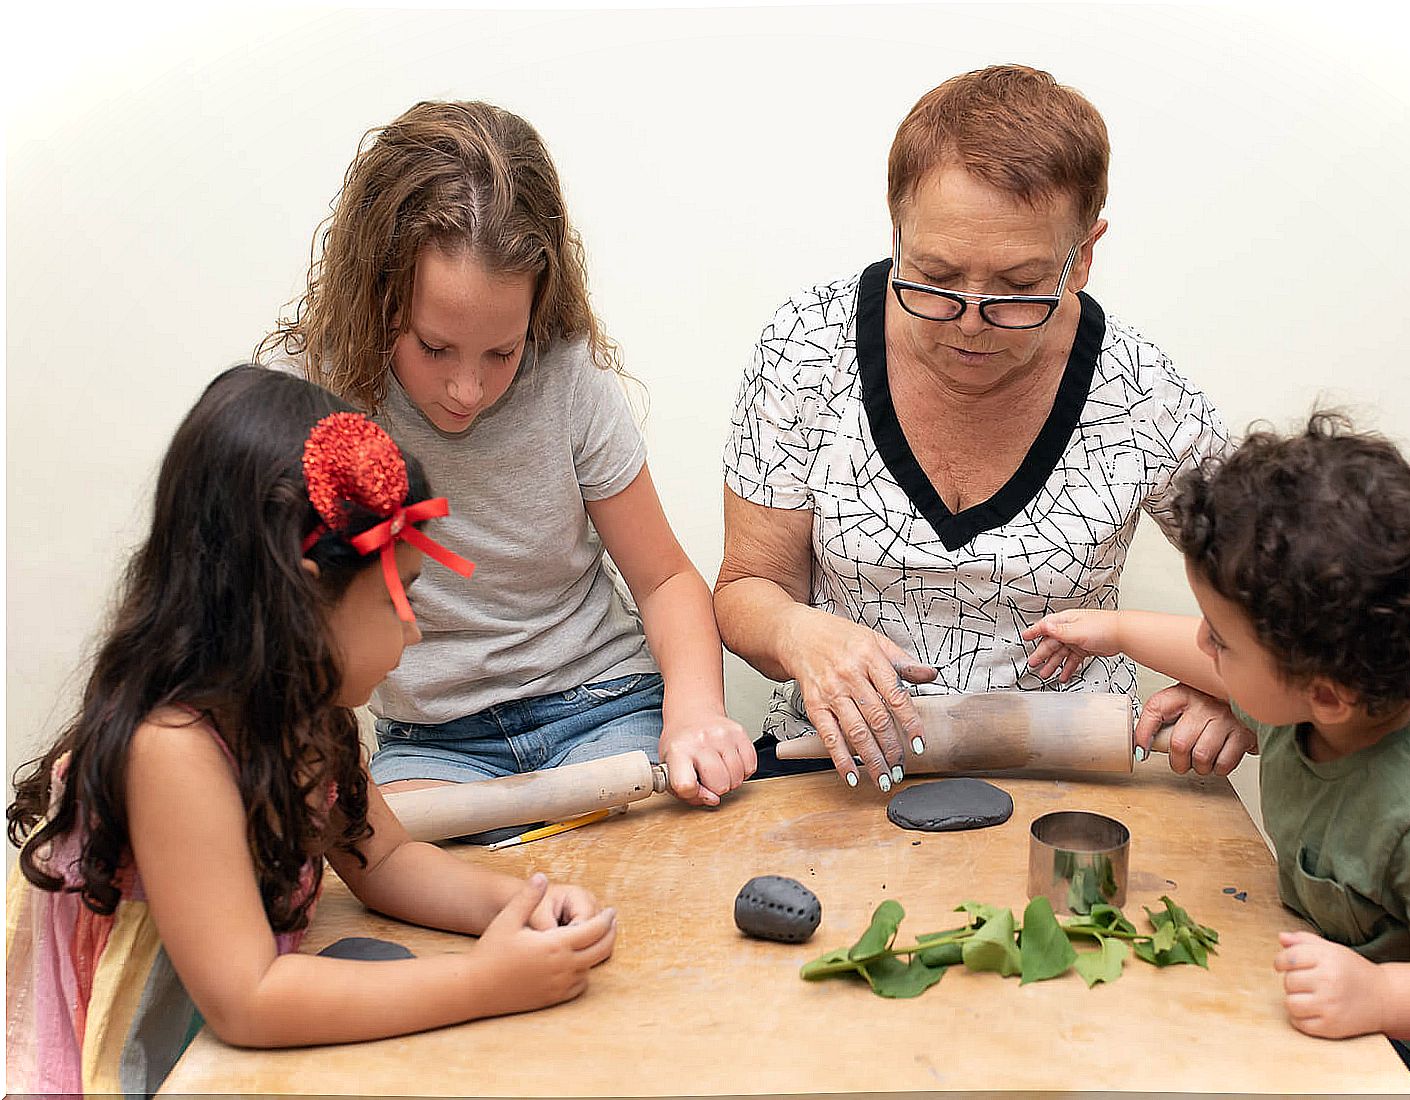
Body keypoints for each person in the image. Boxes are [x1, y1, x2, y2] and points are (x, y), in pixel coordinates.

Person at [5, 367, 618, 1095]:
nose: (415, 629)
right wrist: (486, 982)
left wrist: (516, 907)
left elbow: (383, 860)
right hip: (134, 1071)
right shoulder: (171, 750)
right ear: (302, 596)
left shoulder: (301, 710)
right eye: (399, 598)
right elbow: (247, 1000)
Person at [714, 65, 1254, 790]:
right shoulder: (805, 348)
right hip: (843, 760)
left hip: (1069, 767)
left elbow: (1288, 592)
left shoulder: (1141, 394)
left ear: (1084, 255)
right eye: (934, 275)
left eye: (1018, 286)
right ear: (896, 228)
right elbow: (748, 585)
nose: (969, 320)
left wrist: (1234, 693)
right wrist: (796, 631)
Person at [1024, 413, 1410, 1096]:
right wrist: (1116, 631)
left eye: (1222, 640)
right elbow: (1210, 663)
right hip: (1326, 991)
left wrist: (1380, 995)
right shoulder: (1309, 704)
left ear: (1323, 692)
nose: (1203, 649)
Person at [261, 101, 754, 818]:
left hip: (604, 706)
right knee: (400, 878)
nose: (468, 389)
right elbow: (256, 610)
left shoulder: (566, 371)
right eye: (435, 348)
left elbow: (665, 578)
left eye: (503, 351)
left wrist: (695, 713)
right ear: (376, 298)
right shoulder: (308, 390)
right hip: (430, 744)